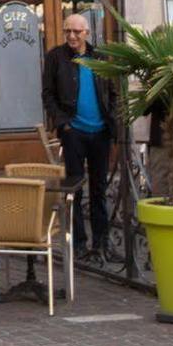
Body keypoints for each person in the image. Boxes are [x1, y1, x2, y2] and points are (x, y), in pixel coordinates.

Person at [42, 14, 116, 263]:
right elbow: (48, 94)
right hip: (74, 132)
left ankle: (101, 243)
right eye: (67, 32)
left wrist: (112, 121)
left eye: (76, 32)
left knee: (99, 189)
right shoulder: (56, 57)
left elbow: (112, 92)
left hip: (100, 132)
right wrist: (64, 124)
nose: (71, 36)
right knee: (74, 189)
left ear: (86, 33)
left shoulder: (99, 58)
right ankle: (79, 244)